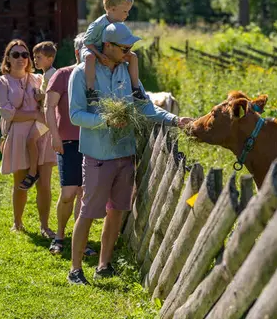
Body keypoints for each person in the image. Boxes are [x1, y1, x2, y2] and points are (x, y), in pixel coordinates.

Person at [67, 23, 192, 285]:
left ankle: (104, 264)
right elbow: (75, 115)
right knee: (89, 211)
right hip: (98, 154)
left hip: (125, 152)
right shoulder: (81, 74)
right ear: (108, 45)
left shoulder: (127, 72)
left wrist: (175, 120)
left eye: (131, 47)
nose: (129, 52)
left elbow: (145, 107)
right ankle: (75, 269)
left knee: (118, 210)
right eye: (125, 47)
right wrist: (106, 121)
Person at [0, 39, 56, 237]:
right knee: (21, 182)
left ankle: (44, 226)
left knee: (44, 183)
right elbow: (8, 113)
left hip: (42, 134)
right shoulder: (1, 82)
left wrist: (41, 106)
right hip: (18, 136)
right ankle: (17, 222)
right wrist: (34, 114)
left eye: (25, 54)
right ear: (8, 59)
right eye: (16, 55)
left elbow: (51, 100)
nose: (21, 58)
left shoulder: (38, 78)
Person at [45, 33, 96, 257]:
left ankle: (80, 240)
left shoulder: (97, 77)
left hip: (92, 140)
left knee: (84, 192)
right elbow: (49, 107)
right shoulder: (63, 75)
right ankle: (59, 235)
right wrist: (54, 136)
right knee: (68, 192)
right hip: (67, 140)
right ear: (77, 52)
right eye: (86, 51)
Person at [81, 0, 145, 101]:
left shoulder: (119, 24)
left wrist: (125, 51)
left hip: (110, 51)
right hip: (93, 49)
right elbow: (86, 42)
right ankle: (90, 91)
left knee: (133, 56)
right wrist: (99, 55)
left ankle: (136, 89)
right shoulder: (98, 24)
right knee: (90, 58)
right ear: (113, 9)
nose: (127, 15)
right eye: (125, 11)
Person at [18, 41, 58, 190]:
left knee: (30, 140)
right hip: (44, 114)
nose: (35, 60)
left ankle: (33, 172)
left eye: (39, 57)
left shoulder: (52, 75)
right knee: (33, 142)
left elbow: (54, 96)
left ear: (50, 58)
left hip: (48, 116)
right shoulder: (45, 74)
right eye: (34, 57)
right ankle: (35, 169)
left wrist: (40, 96)